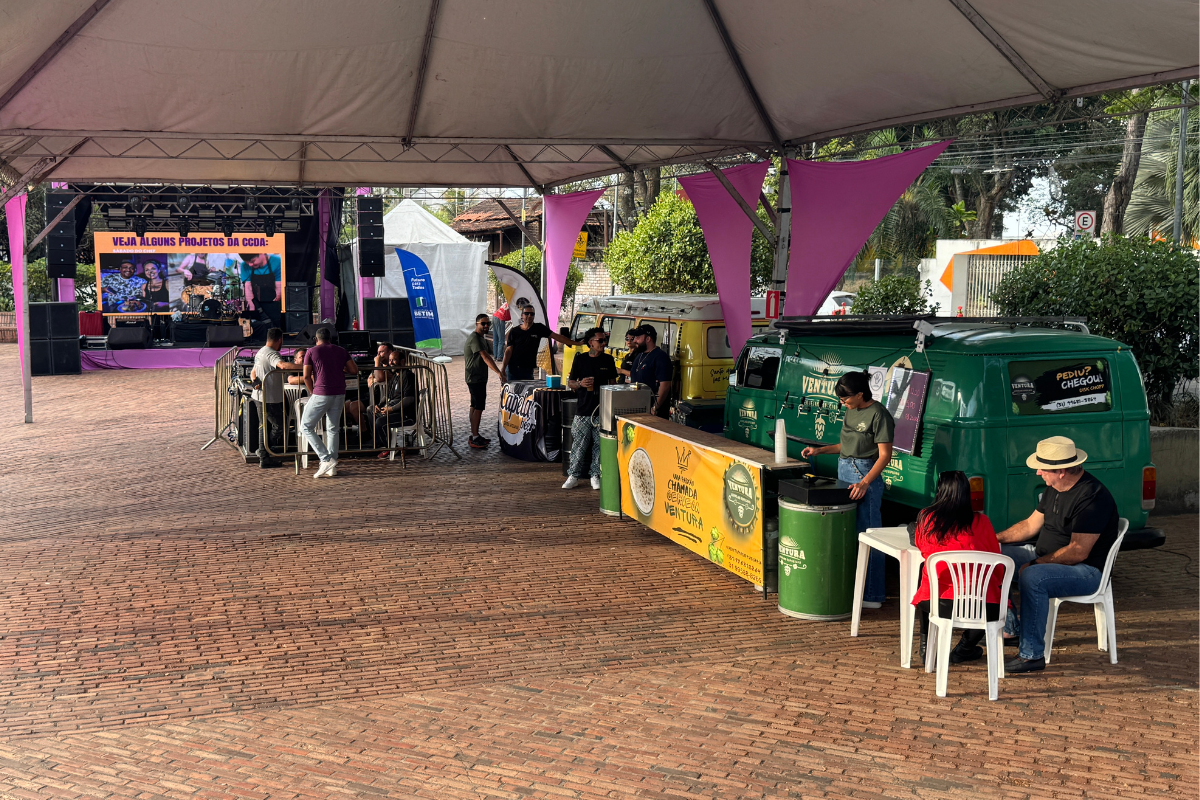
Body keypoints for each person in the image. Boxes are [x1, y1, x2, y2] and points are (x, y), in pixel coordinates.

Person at [995, 436, 1120, 674]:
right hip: (1047, 556)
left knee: (1034, 577)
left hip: (1087, 571)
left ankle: (1031, 655)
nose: (1038, 473)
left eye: (1043, 468)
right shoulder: (1054, 488)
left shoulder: (1092, 497)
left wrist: (1034, 563)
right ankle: (1012, 628)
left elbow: (1077, 551)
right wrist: (992, 539)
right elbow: (1030, 526)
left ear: (1061, 471)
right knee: (994, 557)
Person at [800, 371, 895, 608]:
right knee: (850, 531)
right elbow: (848, 444)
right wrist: (819, 450)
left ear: (861, 394)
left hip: (864, 473)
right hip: (844, 469)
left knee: (870, 533)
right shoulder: (850, 411)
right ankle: (855, 587)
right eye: (841, 399)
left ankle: (873, 594)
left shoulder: (880, 415)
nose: (843, 403)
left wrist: (865, 483)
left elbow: (884, 456)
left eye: (846, 398)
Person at [910, 471, 1005, 665]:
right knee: (996, 599)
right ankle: (965, 648)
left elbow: (921, 546)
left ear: (940, 491)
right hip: (980, 605)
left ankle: (926, 648)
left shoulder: (926, 519)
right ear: (966, 493)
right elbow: (997, 562)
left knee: (926, 583)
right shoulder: (982, 522)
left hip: (939, 603)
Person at [299, 327, 358, 478]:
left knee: (306, 426)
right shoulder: (341, 350)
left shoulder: (311, 352)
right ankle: (332, 465)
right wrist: (341, 367)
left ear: (316, 339)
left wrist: (312, 392)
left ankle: (325, 459)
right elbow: (354, 370)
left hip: (321, 392)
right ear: (330, 339)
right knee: (333, 428)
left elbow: (306, 376)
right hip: (339, 392)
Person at [563, 327, 617, 489]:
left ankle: (595, 475)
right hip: (584, 409)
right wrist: (580, 384)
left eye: (605, 339)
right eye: (600, 340)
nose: (604, 343)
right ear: (590, 343)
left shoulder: (608, 360)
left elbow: (613, 384)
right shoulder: (580, 359)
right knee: (579, 444)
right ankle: (573, 475)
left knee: (599, 445)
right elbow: (570, 382)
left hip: (602, 409)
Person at [249, 328, 303, 468]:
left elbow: (253, 371)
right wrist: (306, 367)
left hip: (260, 396)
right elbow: (283, 365)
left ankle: (264, 453)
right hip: (269, 398)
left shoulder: (261, 351)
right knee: (280, 425)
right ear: (280, 340)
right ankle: (264, 451)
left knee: (264, 426)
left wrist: (255, 381)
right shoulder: (272, 354)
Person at [500, 304, 580, 381]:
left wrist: (577, 343)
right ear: (522, 315)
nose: (529, 316)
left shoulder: (539, 328)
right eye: (527, 313)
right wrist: (503, 368)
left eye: (532, 314)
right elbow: (509, 350)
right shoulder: (514, 331)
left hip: (528, 369)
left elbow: (558, 337)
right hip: (512, 369)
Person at [464, 313, 504, 449]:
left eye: (488, 323)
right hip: (475, 378)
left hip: (477, 377)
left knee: (474, 405)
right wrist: (498, 372)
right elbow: (486, 357)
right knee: (479, 407)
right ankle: (475, 437)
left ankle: (474, 434)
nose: (486, 326)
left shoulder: (480, 338)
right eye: (483, 323)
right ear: (477, 324)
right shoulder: (475, 338)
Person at [628, 325, 673, 418]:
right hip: (637, 408)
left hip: (654, 413)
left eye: (638, 337)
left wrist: (655, 408)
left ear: (648, 339)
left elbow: (665, 385)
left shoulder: (660, 357)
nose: (635, 340)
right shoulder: (639, 356)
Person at [240, 252, 283, 328]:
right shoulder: (244, 266)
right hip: (256, 303)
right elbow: (248, 287)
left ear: (262, 253)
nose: (250, 265)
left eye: (253, 261)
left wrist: (275, 303)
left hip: (273, 302)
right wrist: (253, 310)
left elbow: (279, 286)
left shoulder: (277, 261)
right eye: (247, 263)